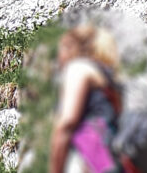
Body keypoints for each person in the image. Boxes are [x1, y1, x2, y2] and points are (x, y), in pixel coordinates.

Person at [49, 25, 122, 173]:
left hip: (90, 159)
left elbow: (67, 124)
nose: (58, 57)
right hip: (109, 160)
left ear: (71, 48)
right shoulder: (105, 75)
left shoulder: (78, 68)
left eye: (61, 49)